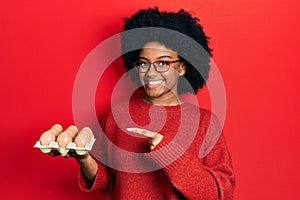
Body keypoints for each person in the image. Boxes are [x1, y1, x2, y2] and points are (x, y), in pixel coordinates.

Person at [43, 7, 235, 199]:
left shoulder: (205, 123)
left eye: (162, 63)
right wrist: (83, 158)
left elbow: (220, 194)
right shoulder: (115, 116)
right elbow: (109, 182)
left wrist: (170, 155)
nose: (151, 72)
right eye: (143, 63)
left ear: (183, 67)